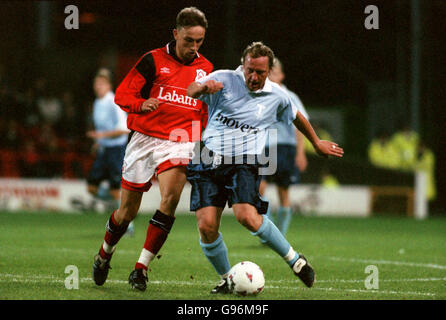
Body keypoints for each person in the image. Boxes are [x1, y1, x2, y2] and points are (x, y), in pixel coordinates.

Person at [186, 42, 344, 293]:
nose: (253, 76)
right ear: (243, 64)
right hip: (207, 156)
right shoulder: (224, 78)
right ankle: (228, 279)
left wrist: (316, 142)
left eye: (260, 72)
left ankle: (295, 260)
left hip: (245, 161)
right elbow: (191, 88)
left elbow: (296, 117)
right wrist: (204, 87)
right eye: (250, 70)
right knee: (206, 226)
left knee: (246, 216)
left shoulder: (277, 96)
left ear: (269, 71)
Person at [91, 7, 213, 292]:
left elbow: (206, 108)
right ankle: (104, 254)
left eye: (199, 41)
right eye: (188, 40)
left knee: (170, 199)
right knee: (126, 213)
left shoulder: (205, 68)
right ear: (175, 33)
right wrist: (140, 104)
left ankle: (141, 268)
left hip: (180, 139)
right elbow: (123, 95)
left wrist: (204, 134)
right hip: (144, 138)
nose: (194, 47)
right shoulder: (152, 60)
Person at [258, 57, 309, 238]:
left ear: (282, 76)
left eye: (274, 73)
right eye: (268, 73)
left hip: (286, 148)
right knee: (259, 188)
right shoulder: (261, 95)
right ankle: (268, 230)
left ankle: (281, 234)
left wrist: (300, 153)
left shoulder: (290, 97)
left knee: (283, 191)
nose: (271, 76)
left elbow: (301, 124)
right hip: (264, 147)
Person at [86, 69, 131, 231]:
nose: (98, 86)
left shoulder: (114, 102)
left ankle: (127, 223)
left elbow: (124, 129)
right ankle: (119, 205)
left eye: (101, 84)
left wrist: (100, 135)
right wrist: (99, 142)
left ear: (109, 85)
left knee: (115, 188)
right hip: (105, 149)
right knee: (91, 187)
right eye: (96, 83)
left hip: (116, 150)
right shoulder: (98, 103)